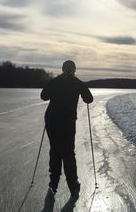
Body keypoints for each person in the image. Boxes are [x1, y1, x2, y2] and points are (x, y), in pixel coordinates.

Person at [40, 60, 93, 202]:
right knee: (68, 153)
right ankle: (73, 186)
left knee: (56, 150)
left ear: (63, 69)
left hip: (52, 120)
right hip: (67, 122)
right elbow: (89, 99)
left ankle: (54, 183)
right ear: (74, 70)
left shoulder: (56, 81)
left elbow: (44, 96)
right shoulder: (77, 83)